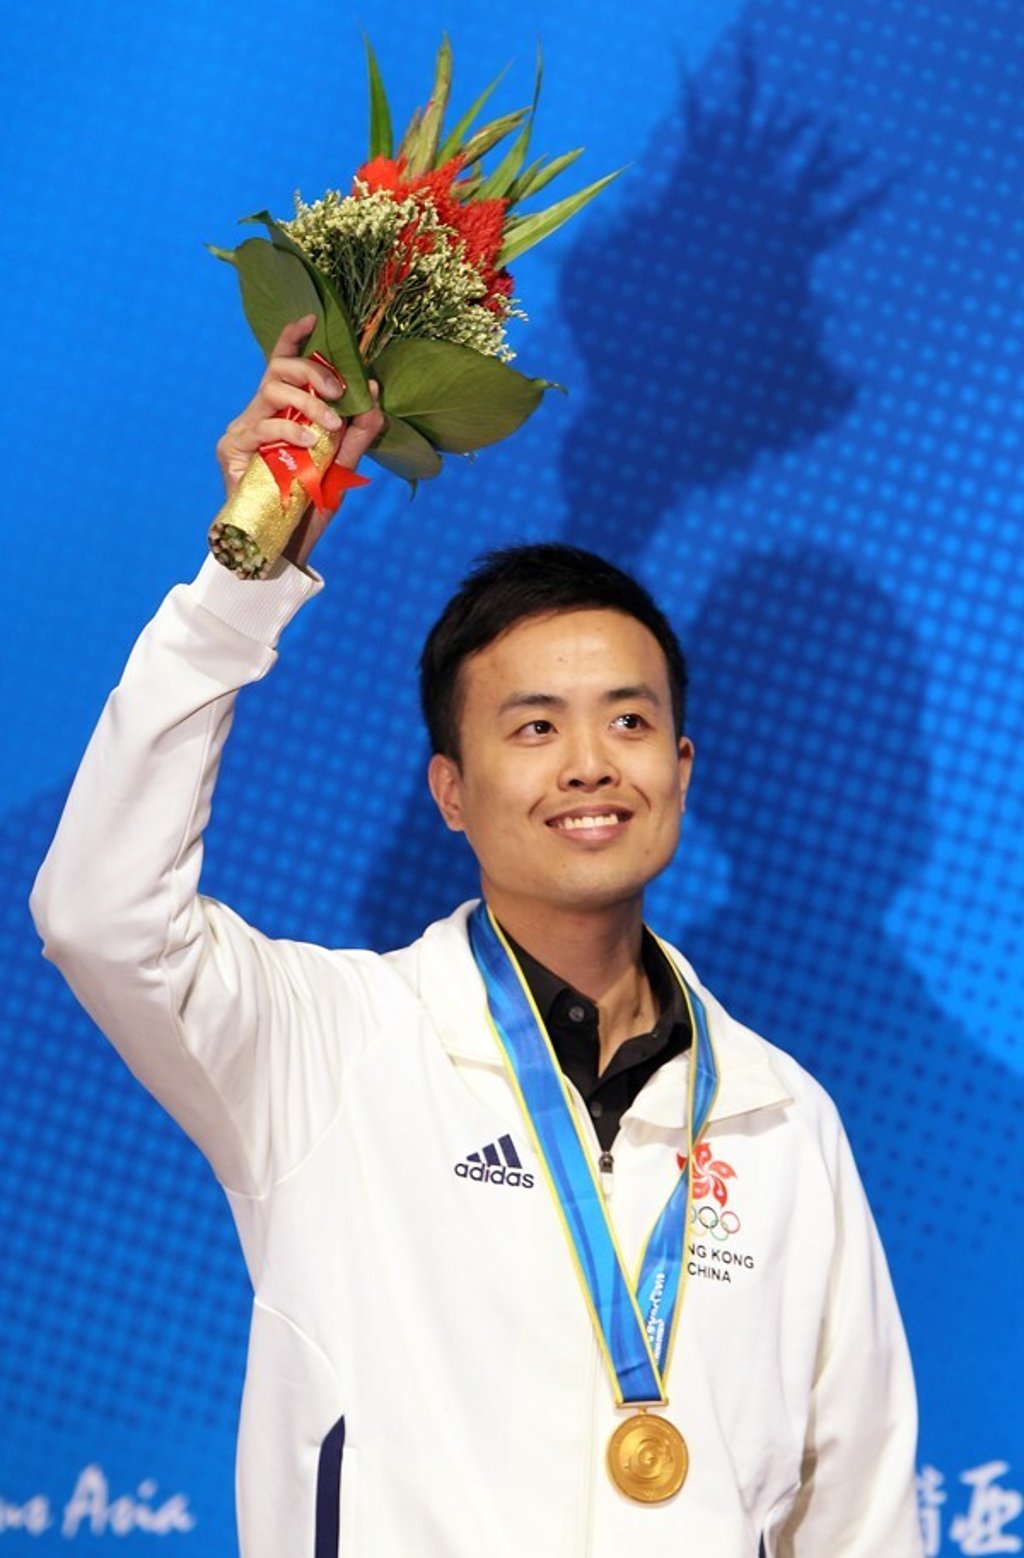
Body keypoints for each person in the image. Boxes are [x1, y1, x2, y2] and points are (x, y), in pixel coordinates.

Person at [30, 318, 925, 1558]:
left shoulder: (782, 1118)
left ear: (681, 765)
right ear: (450, 789)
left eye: (626, 719)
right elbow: (98, 912)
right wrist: (242, 576)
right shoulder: (329, 1048)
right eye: (534, 727)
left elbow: (860, 1510)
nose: (588, 765)